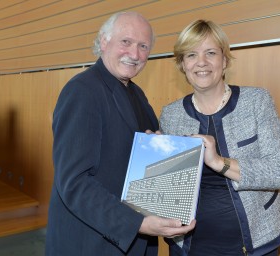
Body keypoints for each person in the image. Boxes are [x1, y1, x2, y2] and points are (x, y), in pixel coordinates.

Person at [45, 12, 195, 256]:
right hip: (91, 243)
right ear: (104, 42)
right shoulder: (82, 91)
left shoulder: (137, 94)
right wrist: (138, 223)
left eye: (143, 46)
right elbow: (74, 183)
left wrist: (158, 151)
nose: (134, 54)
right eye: (126, 42)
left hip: (131, 241)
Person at [159, 19, 280, 256]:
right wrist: (154, 158)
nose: (201, 62)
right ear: (183, 64)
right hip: (190, 245)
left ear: (224, 61)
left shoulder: (256, 102)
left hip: (257, 239)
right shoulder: (171, 114)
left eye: (210, 53)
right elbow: (170, 189)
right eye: (191, 55)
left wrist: (218, 162)